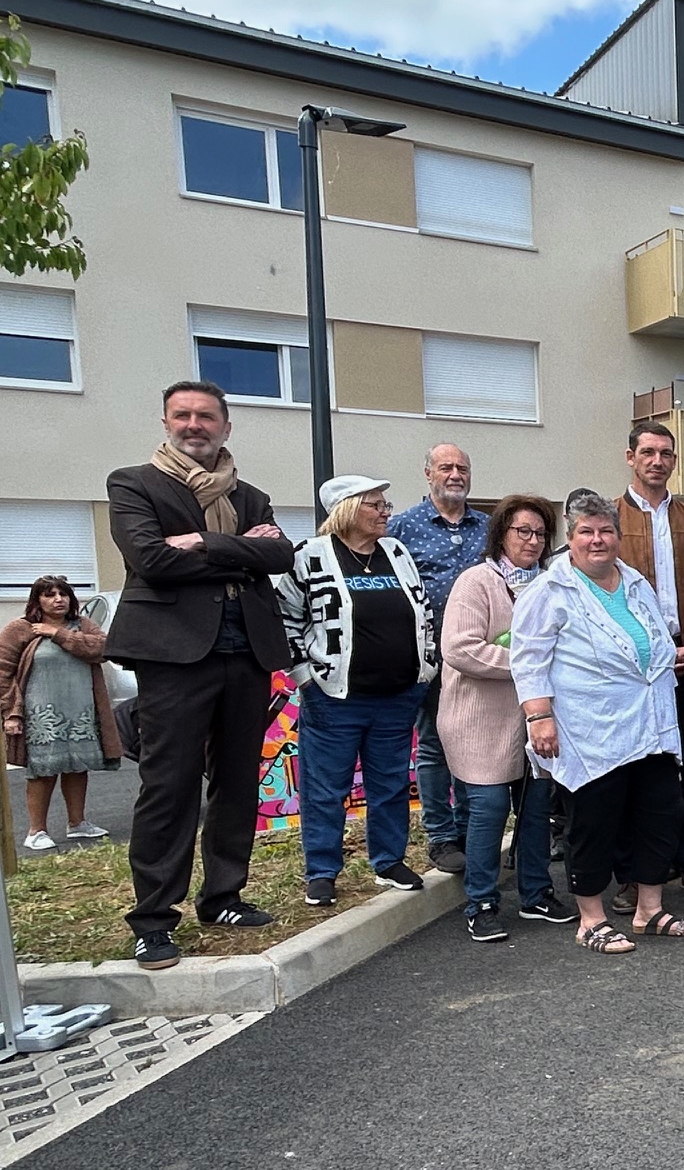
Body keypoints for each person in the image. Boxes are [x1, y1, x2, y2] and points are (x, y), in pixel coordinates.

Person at [106, 379, 296, 968]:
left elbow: (281, 556)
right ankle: (154, 920)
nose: (195, 425)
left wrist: (202, 543)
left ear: (225, 426)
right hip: (174, 655)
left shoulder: (251, 495)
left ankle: (224, 897)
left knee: (238, 781)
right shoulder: (134, 483)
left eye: (207, 417)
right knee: (170, 786)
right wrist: (237, 549)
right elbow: (152, 561)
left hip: (247, 653)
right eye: (182, 415)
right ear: (166, 422)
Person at [512, 493, 684, 954]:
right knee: (594, 822)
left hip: (650, 723)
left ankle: (649, 909)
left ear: (618, 536)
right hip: (589, 728)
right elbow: (528, 660)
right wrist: (539, 717)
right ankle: (590, 919)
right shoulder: (549, 591)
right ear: (570, 540)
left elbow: (650, 638)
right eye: (586, 532)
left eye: (606, 531)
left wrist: (668, 657)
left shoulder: (634, 581)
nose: (598, 540)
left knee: (660, 813)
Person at [277, 475, 436, 908]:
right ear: (347, 510)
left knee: (390, 785)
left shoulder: (396, 553)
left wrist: (426, 668)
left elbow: (421, 611)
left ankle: (388, 861)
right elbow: (285, 620)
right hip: (334, 697)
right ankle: (322, 871)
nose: (386, 512)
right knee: (326, 788)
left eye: (385, 504)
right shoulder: (309, 557)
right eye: (376, 505)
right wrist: (306, 680)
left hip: (398, 696)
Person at [438, 494, 573, 942]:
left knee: (536, 810)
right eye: (523, 532)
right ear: (501, 534)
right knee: (490, 809)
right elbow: (459, 648)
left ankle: (535, 894)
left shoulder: (553, 585)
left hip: (535, 720)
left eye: (540, 534)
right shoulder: (477, 581)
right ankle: (481, 902)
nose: (532, 541)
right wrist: (527, 661)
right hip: (478, 721)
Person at [613, 422, 684, 905]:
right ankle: (636, 873)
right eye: (649, 452)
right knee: (636, 770)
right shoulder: (608, 521)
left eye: (667, 454)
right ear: (630, 457)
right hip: (631, 670)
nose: (658, 461)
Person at [388, 442, 488, 874]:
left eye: (462, 468)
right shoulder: (402, 527)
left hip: (482, 654)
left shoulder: (488, 526)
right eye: (445, 467)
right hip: (427, 656)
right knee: (432, 745)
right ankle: (442, 837)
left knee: (472, 743)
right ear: (427, 473)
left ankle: (470, 831)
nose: (455, 474)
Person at [1, 576, 119, 851]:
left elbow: (103, 649)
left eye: (63, 594)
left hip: (81, 713)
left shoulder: (82, 626)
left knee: (77, 767)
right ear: (37, 600)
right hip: (41, 716)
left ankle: (77, 823)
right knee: (42, 771)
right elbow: (2, 672)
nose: (58, 599)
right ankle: (36, 831)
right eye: (50, 595)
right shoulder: (21, 629)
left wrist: (58, 634)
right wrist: (11, 713)